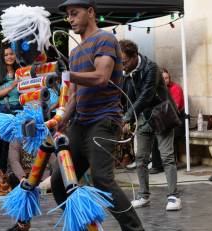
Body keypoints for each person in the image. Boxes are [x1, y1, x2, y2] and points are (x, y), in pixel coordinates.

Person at [50, 1, 145, 231]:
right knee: (59, 182)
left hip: (104, 120)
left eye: (75, 13)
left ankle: (135, 229)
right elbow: (74, 97)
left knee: (102, 179)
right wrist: (61, 120)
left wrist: (68, 75)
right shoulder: (73, 54)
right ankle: (85, 226)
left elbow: (102, 77)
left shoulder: (105, 39)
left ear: (90, 12)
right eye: (68, 16)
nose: (70, 19)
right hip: (80, 123)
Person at [119, 39, 182, 211]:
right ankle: (143, 196)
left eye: (124, 62)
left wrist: (128, 116)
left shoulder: (151, 68)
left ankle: (174, 197)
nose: (121, 66)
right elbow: (127, 97)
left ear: (134, 57)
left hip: (162, 113)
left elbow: (146, 95)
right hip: (143, 116)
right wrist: (128, 117)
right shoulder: (126, 72)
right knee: (141, 159)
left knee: (167, 157)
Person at [0, 43, 20, 173]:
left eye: (11, 54)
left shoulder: (21, 71)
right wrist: (12, 86)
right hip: (3, 111)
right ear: (2, 57)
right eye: (6, 55)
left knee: (16, 144)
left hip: (19, 110)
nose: (9, 57)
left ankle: (13, 172)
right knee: (0, 143)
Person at [150, 68, 185, 174]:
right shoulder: (156, 90)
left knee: (161, 134)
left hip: (177, 120)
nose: (166, 80)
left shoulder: (175, 88)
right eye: (163, 78)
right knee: (154, 133)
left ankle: (162, 165)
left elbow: (175, 108)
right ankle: (157, 164)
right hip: (163, 119)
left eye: (167, 78)